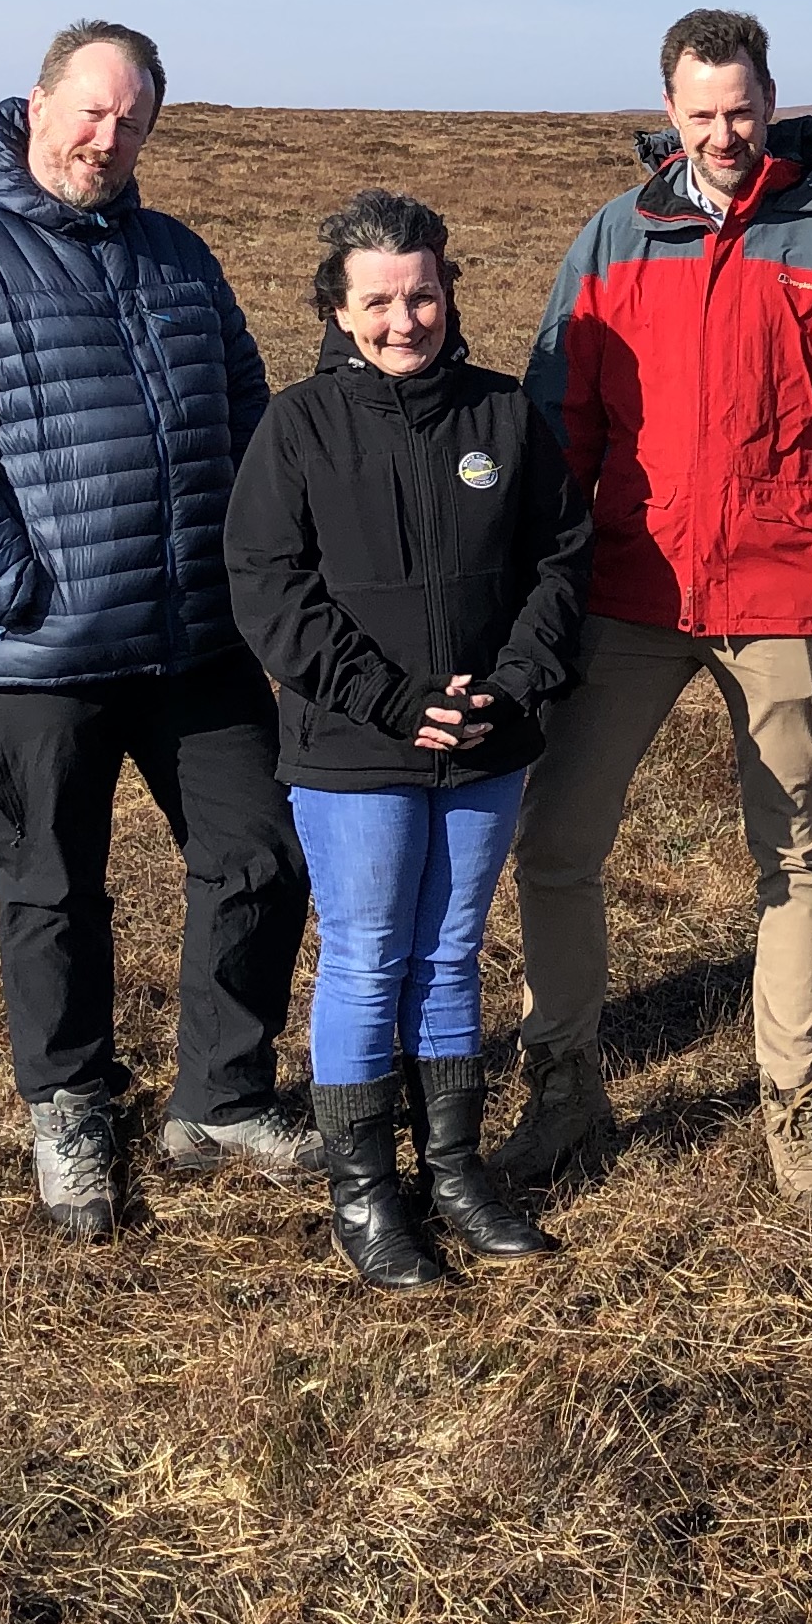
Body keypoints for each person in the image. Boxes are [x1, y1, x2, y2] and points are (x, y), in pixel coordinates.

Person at [0, 19, 313, 1243]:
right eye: (90, 111)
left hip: (197, 643)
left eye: (133, 121)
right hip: (44, 650)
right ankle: (69, 1103)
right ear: (37, 102)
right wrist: (7, 582)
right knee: (53, 888)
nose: (105, 140)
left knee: (262, 854)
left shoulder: (178, 255)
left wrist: (255, 573)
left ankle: (219, 1097)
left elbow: (245, 402)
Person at [501, 6, 812, 1215]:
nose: (726, 132)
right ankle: (567, 1079)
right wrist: (532, 581)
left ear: (772, 98)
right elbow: (558, 423)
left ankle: (792, 1097)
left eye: (742, 109)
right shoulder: (612, 239)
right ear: (668, 112)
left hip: (784, 592)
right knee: (557, 843)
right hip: (630, 592)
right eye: (703, 114)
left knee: (797, 852)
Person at [225, 189, 595, 1289]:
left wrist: (518, 685)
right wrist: (386, 698)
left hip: (487, 741)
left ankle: (454, 1171)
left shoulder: (503, 416)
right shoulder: (296, 427)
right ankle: (364, 1193)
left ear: (449, 293)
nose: (404, 321)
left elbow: (561, 560)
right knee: (368, 954)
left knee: (450, 955)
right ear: (339, 310)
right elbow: (268, 587)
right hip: (354, 746)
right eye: (379, 301)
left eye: (422, 295)